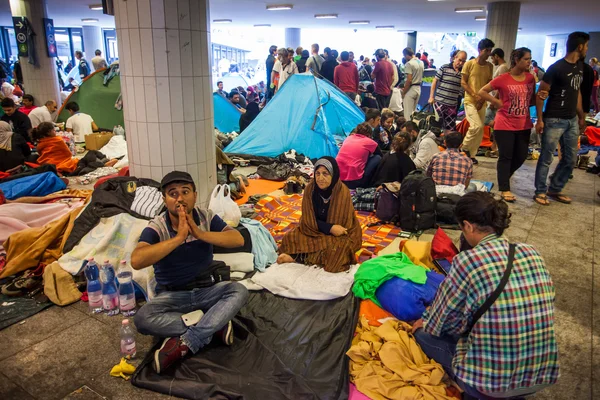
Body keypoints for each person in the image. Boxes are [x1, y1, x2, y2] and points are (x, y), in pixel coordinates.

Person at [413, 192, 559, 399]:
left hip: (490, 384)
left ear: (468, 226)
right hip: (540, 375)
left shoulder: (467, 261)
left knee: (422, 335)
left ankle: (474, 391)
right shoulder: (531, 251)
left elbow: (441, 324)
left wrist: (424, 321)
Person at [131, 171, 248, 374]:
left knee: (239, 290)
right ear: (165, 200)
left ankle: (188, 340)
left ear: (194, 194)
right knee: (142, 319)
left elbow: (238, 239)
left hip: (207, 291)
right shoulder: (157, 226)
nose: (180, 199)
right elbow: (137, 260)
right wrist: (178, 239)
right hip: (172, 297)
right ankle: (215, 324)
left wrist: (200, 234)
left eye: (185, 192)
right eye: (172, 194)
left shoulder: (206, 217)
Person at [277, 157, 362, 272]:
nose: (320, 178)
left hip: (341, 233)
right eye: (317, 173)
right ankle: (306, 257)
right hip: (314, 229)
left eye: (325, 174)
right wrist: (329, 228)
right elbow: (307, 220)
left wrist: (332, 229)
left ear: (333, 175)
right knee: (289, 237)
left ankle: (299, 257)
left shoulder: (343, 192)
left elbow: (342, 227)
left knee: (338, 250)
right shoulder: (310, 190)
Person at [534, 32, 589, 206]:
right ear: (579, 47)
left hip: (571, 119)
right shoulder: (556, 68)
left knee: (571, 158)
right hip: (554, 119)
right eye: (586, 45)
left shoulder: (580, 67)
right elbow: (541, 94)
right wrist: (540, 119)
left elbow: (576, 91)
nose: (587, 49)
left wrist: (581, 116)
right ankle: (540, 191)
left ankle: (555, 188)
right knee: (546, 157)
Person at [479, 48, 536, 203]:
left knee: (521, 155)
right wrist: (496, 102)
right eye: (526, 59)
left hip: (524, 123)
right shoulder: (503, 78)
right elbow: (482, 91)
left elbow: (531, 99)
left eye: (530, 59)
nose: (528, 62)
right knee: (506, 156)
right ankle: (505, 188)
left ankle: (503, 178)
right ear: (516, 60)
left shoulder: (530, 78)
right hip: (504, 124)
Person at [461, 38, 495, 164]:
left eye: (490, 51)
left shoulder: (489, 66)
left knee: (480, 130)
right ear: (480, 50)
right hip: (470, 100)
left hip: (482, 101)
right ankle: (463, 148)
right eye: (487, 50)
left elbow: (488, 84)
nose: (489, 53)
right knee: (476, 126)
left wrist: (482, 99)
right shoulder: (469, 64)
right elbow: (463, 82)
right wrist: (475, 96)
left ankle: (472, 154)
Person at [429, 50, 467, 131]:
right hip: (439, 103)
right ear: (455, 57)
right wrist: (431, 97)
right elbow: (435, 81)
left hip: (452, 105)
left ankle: (446, 143)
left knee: (450, 129)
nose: (461, 63)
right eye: (460, 60)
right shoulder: (444, 67)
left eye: (463, 61)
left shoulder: (463, 73)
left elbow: (463, 87)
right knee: (436, 127)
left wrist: (459, 97)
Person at [337, 122, 382, 189]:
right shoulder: (370, 142)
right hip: (355, 181)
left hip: (339, 178)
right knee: (377, 157)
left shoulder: (348, 138)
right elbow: (380, 155)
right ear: (369, 135)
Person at [401, 47, 425, 119]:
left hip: (411, 89)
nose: (404, 58)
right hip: (418, 88)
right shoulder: (421, 62)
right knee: (413, 113)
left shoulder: (409, 64)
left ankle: (407, 130)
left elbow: (409, 80)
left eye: (404, 56)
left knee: (407, 114)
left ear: (407, 55)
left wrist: (404, 92)